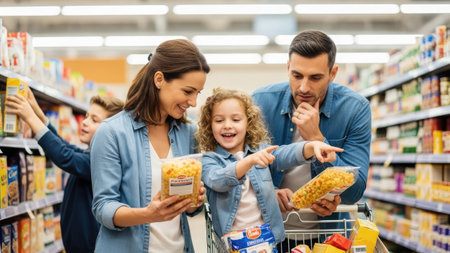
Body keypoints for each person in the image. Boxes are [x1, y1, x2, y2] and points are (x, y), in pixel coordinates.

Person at [252, 30, 371, 250]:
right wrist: (267, 190)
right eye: (297, 75)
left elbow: (355, 192)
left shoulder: (355, 109)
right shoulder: (259, 103)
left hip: (327, 235)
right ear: (288, 67)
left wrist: (317, 138)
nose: (304, 87)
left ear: (332, 73)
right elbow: (240, 168)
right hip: (267, 234)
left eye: (315, 77)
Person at [90, 39, 209, 253]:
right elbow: (103, 208)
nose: (194, 102)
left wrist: (193, 203)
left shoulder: (188, 134)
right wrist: (148, 214)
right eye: (188, 91)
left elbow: (189, 209)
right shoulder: (112, 133)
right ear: (159, 79)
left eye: (197, 93)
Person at [196, 88, 343, 245]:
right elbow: (218, 180)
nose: (227, 125)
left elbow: (286, 153)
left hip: (266, 241)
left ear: (248, 123)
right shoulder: (209, 160)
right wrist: (248, 162)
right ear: (209, 126)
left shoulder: (261, 151)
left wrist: (312, 146)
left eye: (236, 120)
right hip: (232, 244)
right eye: (219, 120)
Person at [5, 90, 123, 253]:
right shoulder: (91, 154)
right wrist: (38, 113)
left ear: (112, 130)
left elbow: (64, 156)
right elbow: (65, 147)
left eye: (94, 120)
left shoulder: (103, 162)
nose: (85, 122)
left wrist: (30, 118)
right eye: (87, 116)